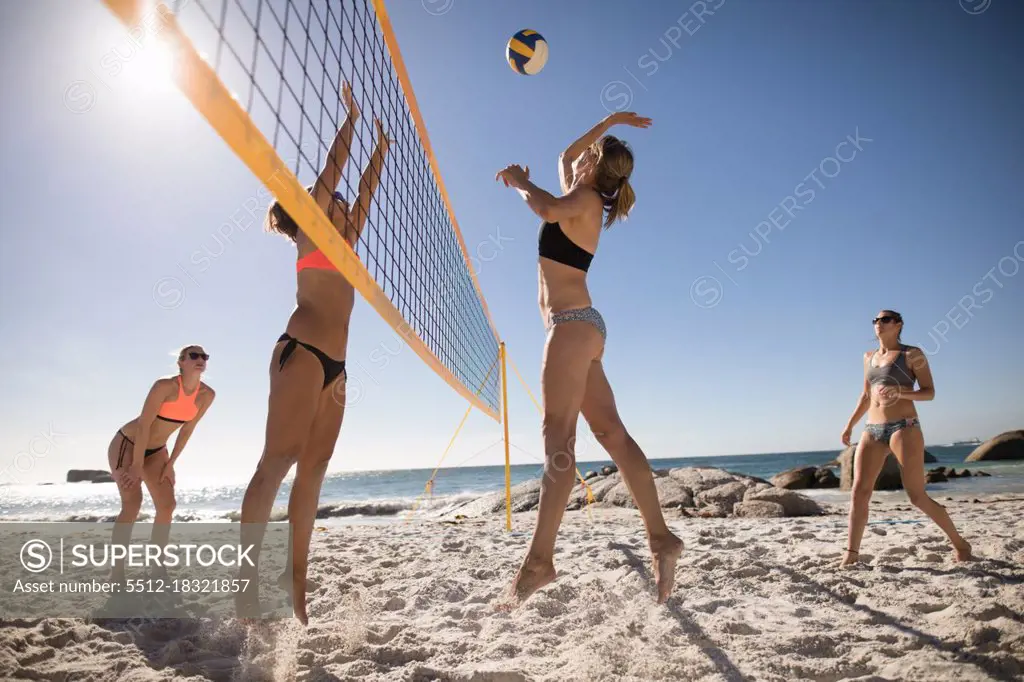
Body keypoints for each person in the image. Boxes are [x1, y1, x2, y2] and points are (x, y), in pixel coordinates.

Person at [494, 111, 683, 607]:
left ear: (595, 167)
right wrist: (611, 119)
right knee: (612, 435)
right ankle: (661, 538)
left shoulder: (581, 200)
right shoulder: (589, 198)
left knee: (558, 436)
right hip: (584, 329)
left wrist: (518, 181)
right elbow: (564, 156)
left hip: (571, 328)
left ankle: (539, 561)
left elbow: (545, 210)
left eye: (589, 156)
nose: (578, 157)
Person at [237, 81, 390, 625]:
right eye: (335, 199)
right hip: (301, 350)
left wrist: (384, 147)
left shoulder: (346, 243)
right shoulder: (313, 233)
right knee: (275, 463)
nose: (347, 202)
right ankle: (245, 584)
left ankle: (295, 583)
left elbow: (365, 187)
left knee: (315, 471)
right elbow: (334, 169)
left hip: (338, 368)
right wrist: (350, 118)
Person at [839, 310, 972, 566]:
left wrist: (901, 392)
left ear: (898, 324)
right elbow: (866, 396)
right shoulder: (868, 357)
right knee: (858, 492)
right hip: (872, 430)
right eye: (876, 320)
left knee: (917, 496)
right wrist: (849, 425)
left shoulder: (913, 355)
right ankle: (851, 554)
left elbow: (929, 392)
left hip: (905, 427)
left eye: (885, 319)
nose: (879, 323)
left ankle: (960, 544)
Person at [107, 344, 215, 582]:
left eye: (204, 356)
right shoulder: (164, 386)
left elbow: (187, 430)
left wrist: (171, 462)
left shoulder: (207, 395)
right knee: (132, 505)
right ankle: (117, 572)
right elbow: (145, 425)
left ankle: (157, 567)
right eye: (194, 356)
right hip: (127, 445)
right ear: (181, 362)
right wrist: (135, 465)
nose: (200, 359)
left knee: (167, 505)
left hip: (157, 451)